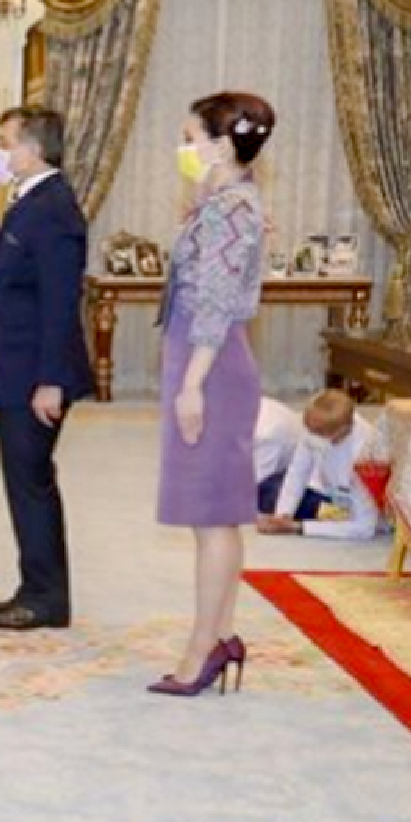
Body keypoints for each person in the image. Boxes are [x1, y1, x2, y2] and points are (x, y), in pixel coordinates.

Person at [152, 92, 276, 696]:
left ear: (223, 145)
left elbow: (217, 301)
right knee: (217, 513)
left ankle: (203, 648)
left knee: (212, 517)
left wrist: (193, 385)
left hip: (211, 361)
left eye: (192, 136)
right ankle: (221, 635)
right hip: (208, 355)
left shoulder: (232, 210)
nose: (185, 148)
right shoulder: (228, 202)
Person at [0, 106, 92, 632]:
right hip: (19, 368)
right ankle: (34, 586)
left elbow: (59, 301)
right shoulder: (30, 202)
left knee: (30, 482)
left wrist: (51, 379)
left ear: (32, 149)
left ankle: (46, 597)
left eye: (5, 143)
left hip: (36, 375)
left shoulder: (53, 209)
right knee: (24, 480)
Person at [258, 391, 380, 541]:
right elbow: (297, 472)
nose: (310, 435)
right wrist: (283, 515)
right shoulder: (315, 431)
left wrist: (298, 527)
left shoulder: (364, 456)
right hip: (323, 487)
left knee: (271, 498)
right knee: (265, 488)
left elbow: (365, 527)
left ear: (343, 429)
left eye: (318, 432)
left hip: (350, 505)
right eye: (309, 429)